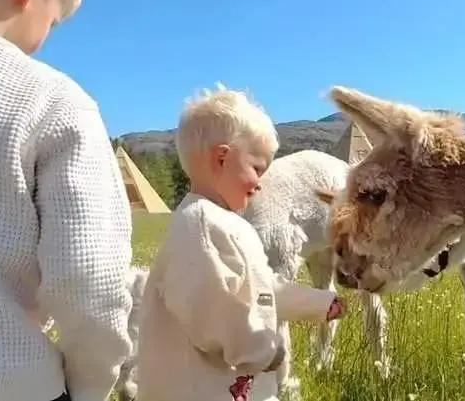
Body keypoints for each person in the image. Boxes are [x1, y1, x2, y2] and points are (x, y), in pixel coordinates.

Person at [0, 0, 134, 401]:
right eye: (55, 20)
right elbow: (90, 278)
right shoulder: (52, 102)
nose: (44, 40)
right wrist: (90, 384)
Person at [137, 85, 346, 401]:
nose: (260, 184)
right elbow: (210, 310)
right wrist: (262, 350)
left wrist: (316, 303)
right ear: (222, 158)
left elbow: (261, 289)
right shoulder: (200, 226)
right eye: (257, 169)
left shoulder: (226, 223)